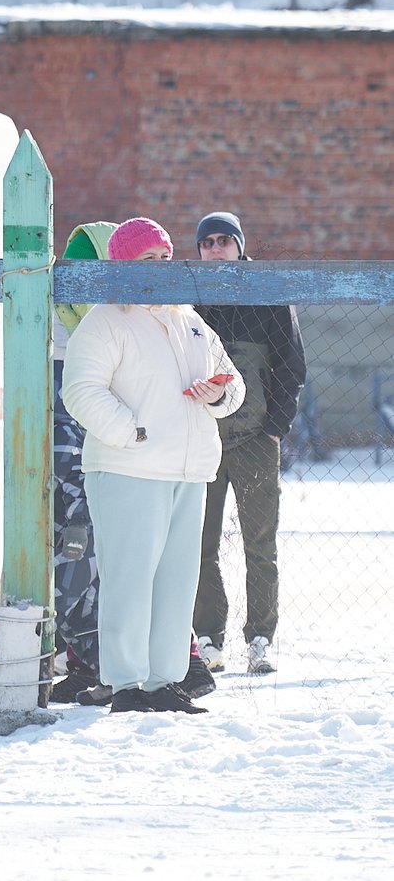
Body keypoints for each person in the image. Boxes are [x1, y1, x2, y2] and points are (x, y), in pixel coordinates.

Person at [62, 217, 244, 715]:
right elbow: (80, 389)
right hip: (129, 470)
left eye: (166, 258)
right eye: (149, 260)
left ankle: (165, 680)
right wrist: (131, 434)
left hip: (189, 470)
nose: (162, 268)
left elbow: (233, 382)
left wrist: (220, 392)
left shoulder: (190, 319)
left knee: (176, 581)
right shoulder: (106, 319)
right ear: (123, 265)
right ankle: (126, 684)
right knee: (131, 578)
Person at [191, 211, 306, 675]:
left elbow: (291, 366)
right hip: (202, 440)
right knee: (200, 544)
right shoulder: (189, 296)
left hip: (257, 438)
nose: (215, 249)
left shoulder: (268, 294)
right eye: (207, 243)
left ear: (240, 244)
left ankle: (260, 637)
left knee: (261, 543)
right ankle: (208, 638)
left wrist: (276, 426)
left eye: (224, 241)